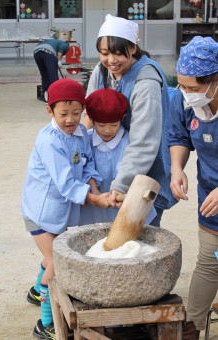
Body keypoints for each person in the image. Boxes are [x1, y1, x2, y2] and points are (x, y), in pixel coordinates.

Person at [21, 78, 110, 339]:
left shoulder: (80, 133)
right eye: (63, 114)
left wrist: (93, 183)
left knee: (52, 257)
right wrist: (95, 199)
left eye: (76, 113)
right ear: (49, 111)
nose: (70, 120)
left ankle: (38, 292)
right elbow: (65, 183)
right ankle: (45, 324)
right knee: (56, 263)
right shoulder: (49, 141)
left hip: (61, 212)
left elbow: (87, 162)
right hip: (41, 212)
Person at [83, 14, 177, 227]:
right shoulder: (101, 71)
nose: (111, 61)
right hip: (105, 169)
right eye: (104, 53)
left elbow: (144, 142)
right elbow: (89, 115)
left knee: (140, 237)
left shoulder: (146, 82)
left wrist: (122, 185)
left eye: (118, 53)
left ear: (133, 48)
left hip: (140, 172)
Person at [168, 36, 218, 340]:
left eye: (194, 88)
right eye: (182, 86)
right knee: (210, 260)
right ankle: (192, 326)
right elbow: (179, 136)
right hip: (209, 198)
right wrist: (177, 168)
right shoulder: (184, 100)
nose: (187, 94)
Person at [80, 88, 157, 225]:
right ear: (91, 120)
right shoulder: (86, 141)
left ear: (122, 119)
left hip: (122, 204)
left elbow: (129, 169)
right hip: (94, 207)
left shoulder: (130, 144)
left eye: (114, 125)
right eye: (101, 125)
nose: (107, 130)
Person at [33, 37, 69, 102]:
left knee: (45, 76)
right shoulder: (65, 44)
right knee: (53, 76)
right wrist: (59, 60)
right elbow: (61, 48)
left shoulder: (52, 41)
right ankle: (56, 96)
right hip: (48, 52)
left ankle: (45, 97)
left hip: (36, 52)